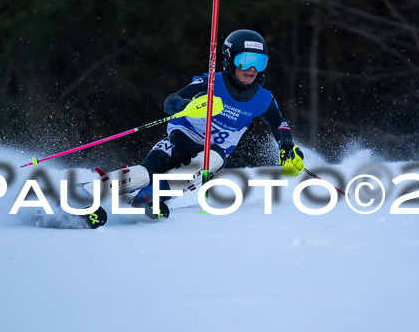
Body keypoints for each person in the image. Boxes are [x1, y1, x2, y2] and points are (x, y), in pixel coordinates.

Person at [82, 29, 304, 216]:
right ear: (230, 59)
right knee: (145, 172)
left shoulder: (263, 98)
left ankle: (147, 199)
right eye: (245, 60)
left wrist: (287, 147)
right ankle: (87, 192)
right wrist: (190, 104)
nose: (252, 69)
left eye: (260, 62)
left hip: (212, 153)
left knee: (213, 158)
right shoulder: (210, 83)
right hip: (182, 138)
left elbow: (279, 124)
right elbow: (171, 102)